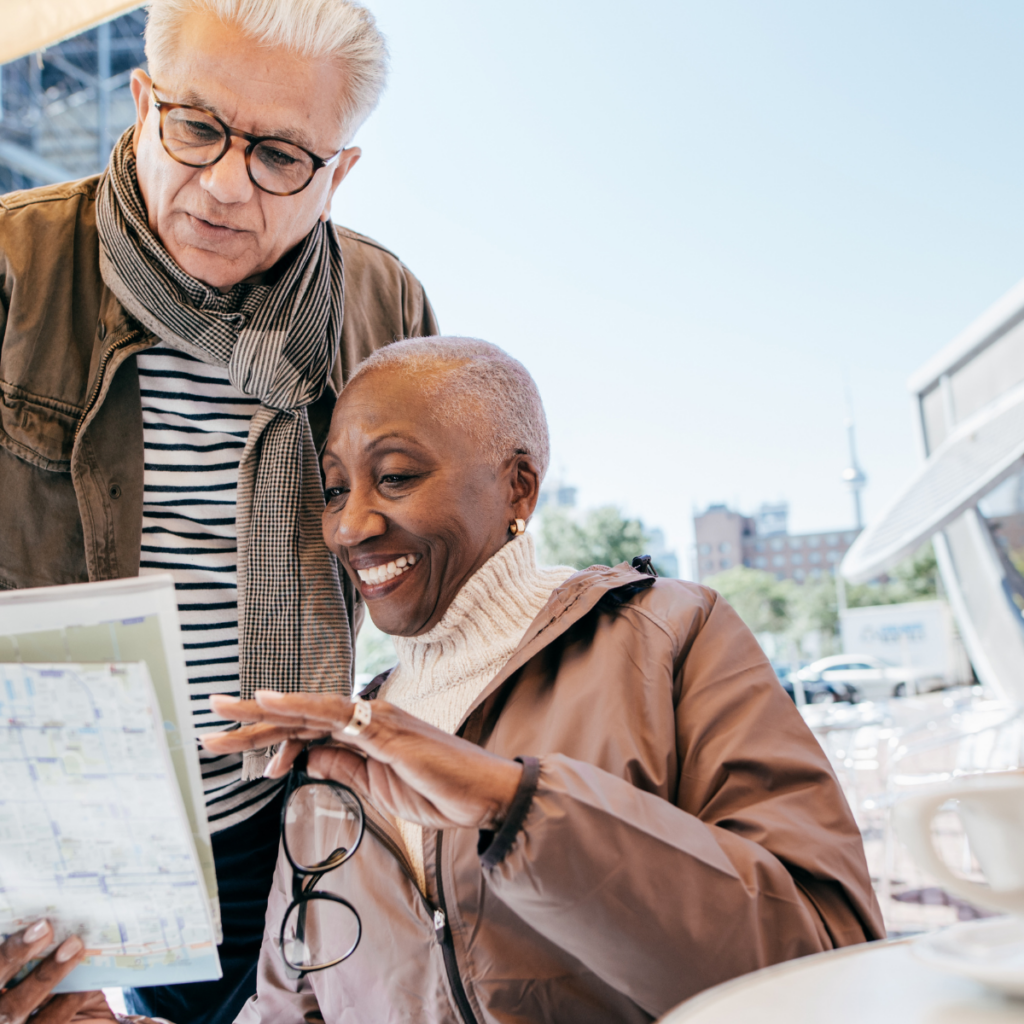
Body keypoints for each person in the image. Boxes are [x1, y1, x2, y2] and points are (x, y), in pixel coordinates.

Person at [200, 336, 886, 1024]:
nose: (350, 526)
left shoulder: (669, 636)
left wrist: (515, 805)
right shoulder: (340, 749)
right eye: (335, 490)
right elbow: (295, 1007)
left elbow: (826, 964)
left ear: (518, 486)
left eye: (398, 477)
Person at [0, 1, 437, 1021]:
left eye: (282, 154)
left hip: (270, 817)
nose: (224, 185)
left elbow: (441, 578)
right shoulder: (16, 271)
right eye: (196, 129)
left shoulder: (383, 305)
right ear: (145, 101)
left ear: (342, 170)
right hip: (40, 821)